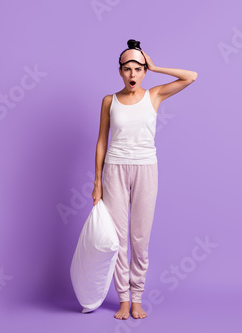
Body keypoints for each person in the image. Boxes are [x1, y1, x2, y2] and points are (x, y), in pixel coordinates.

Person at [91, 39, 197, 320]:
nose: (133, 74)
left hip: (146, 169)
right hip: (114, 169)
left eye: (138, 68)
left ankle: (137, 297)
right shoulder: (109, 101)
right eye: (127, 69)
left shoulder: (155, 95)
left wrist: (157, 65)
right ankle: (123, 300)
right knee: (117, 239)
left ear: (145, 71)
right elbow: (102, 142)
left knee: (139, 237)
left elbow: (191, 76)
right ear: (120, 71)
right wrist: (97, 182)